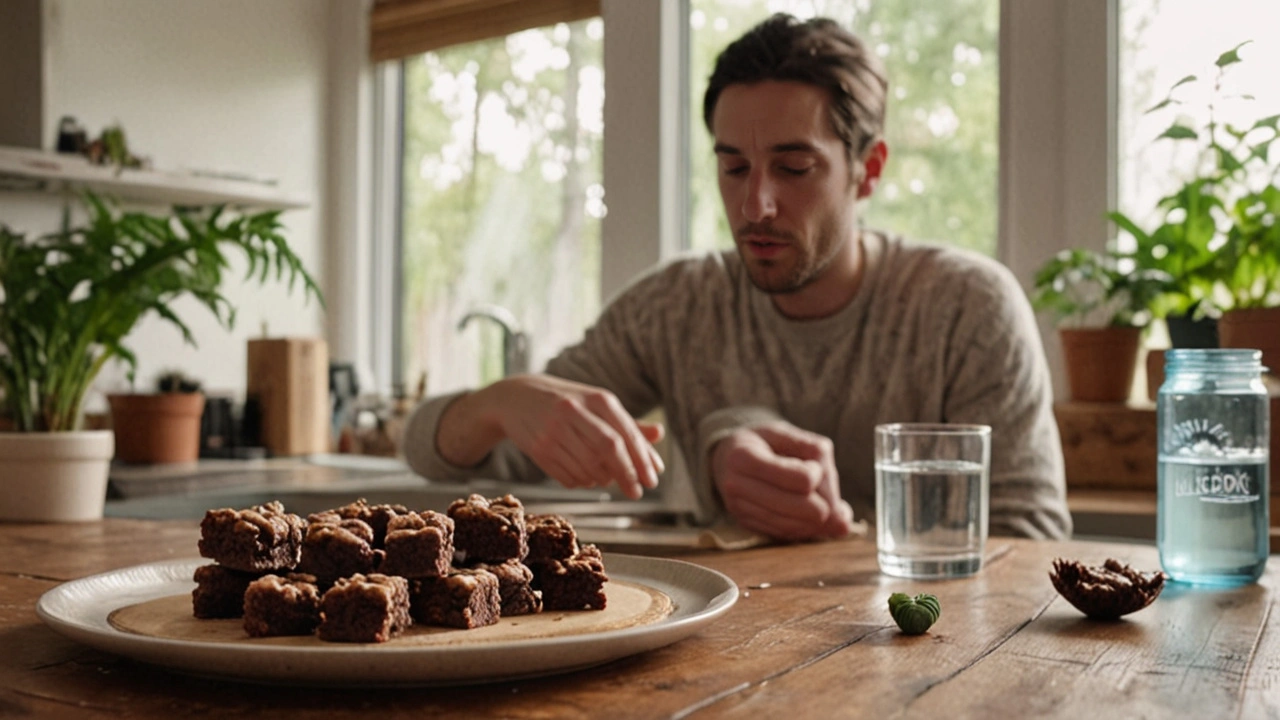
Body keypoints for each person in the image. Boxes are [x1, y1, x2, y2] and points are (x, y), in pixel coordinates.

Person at [404, 13, 1072, 541]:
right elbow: (435, 456)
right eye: (733, 168)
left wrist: (837, 525)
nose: (755, 206)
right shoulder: (676, 306)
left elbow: (1031, 540)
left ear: (868, 169)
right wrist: (498, 403)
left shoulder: (965, 307)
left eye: (794, 168)